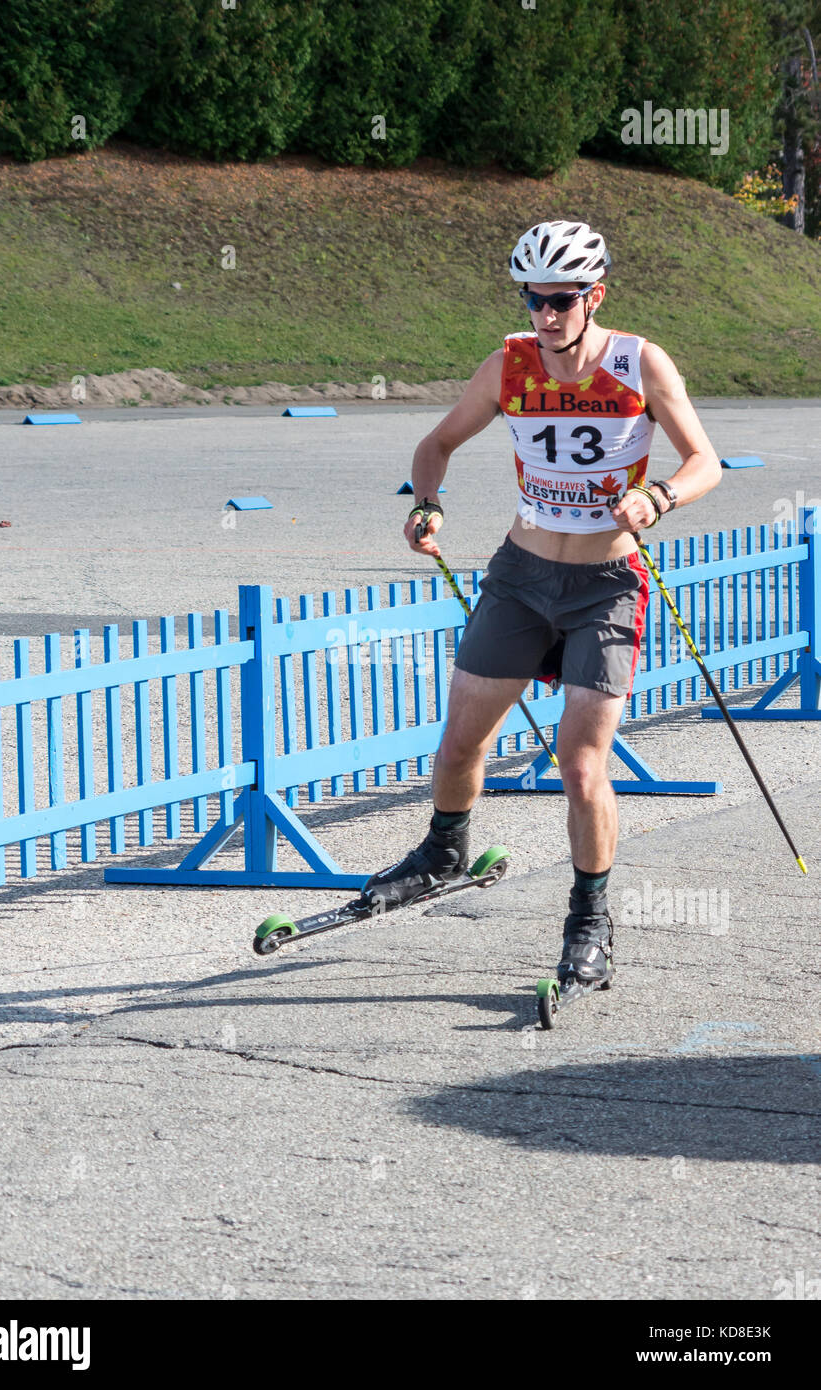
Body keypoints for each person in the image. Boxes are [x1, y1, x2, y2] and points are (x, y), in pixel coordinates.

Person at [364, 220, 722, 987]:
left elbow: (705, 461)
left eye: (561, 300)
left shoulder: (638, 362)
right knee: (460, 743)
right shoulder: (509, 365)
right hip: (521, 576)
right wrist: (427, 505)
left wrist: (658, 498)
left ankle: (590, 920)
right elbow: (437, 445)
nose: (545, 315)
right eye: (533, 298)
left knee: (581, 767)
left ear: (594, 296)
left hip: (607, 589)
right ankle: (443, 851)